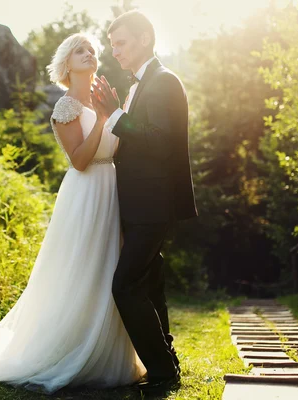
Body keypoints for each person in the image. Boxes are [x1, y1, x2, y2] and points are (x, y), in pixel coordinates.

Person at [0, 33, 145, 394]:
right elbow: (79, 160)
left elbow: (118, 147)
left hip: (113, 191)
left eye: (92, 49)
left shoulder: (103, 98)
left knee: (110, 270)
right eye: (80, 50)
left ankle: (109, 353)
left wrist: (114, 113)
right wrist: (108, 116)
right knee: (81, 269)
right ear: (66, 64)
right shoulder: (65, 107)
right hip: (86, 192)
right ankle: (68, 350)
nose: (89, 53)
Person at [92, 10, 197, 391]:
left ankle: (164, 374)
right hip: (138, 202)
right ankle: (167, 362)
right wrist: (119, 112)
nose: (114, 51)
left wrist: (114, 114)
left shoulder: (164, 81)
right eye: (112, 45)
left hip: (154, 203)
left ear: (145, 40)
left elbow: (158, 141)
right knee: (150, 283)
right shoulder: (142, 83)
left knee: (125, 285)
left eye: (120, 43)